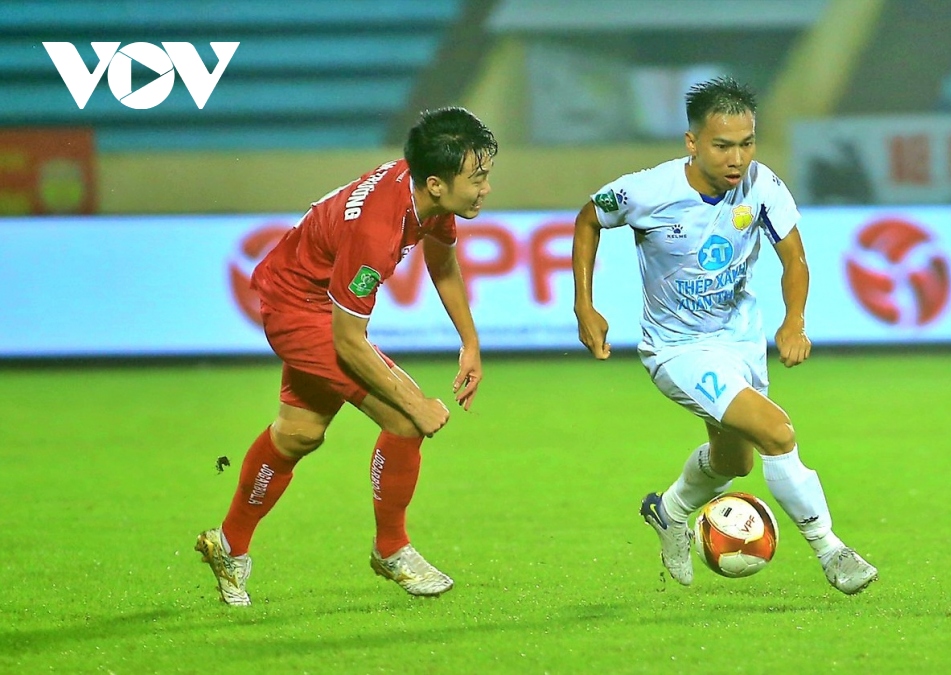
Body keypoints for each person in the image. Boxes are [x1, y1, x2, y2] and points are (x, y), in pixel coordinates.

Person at [571, 77, 877, 594]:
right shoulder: (648, 190)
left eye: (746, 143)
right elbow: (588, 218)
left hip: (740, 342)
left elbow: (794, 258)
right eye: (722, 145)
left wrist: (793, 320)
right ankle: (832, 552)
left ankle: (668, 512)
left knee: (736, 461)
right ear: (692, 143)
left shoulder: (762, 185)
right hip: (678, 351)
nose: (737, 158)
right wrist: (584, 304)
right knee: (777, 432)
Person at [195, 107, 497, 606]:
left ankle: (228, 546)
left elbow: (441, 260)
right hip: (297, 308)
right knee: (404, 418)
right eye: (478, 178)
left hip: (311, 298)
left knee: (298, 435)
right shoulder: (376, 232)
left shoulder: (428, 193)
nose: (486, 187)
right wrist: (417, 404)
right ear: (438, 183)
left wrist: (470, 342)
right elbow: (348, 341)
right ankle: (392, 549)